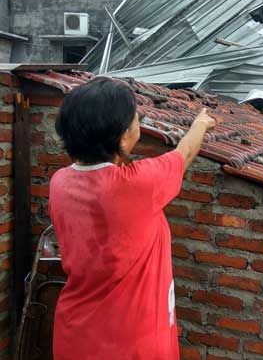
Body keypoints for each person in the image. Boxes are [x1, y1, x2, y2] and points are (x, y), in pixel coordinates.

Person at [48, 78, 216, 360]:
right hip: (132, 341)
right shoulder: (134, 185)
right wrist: (201, 123)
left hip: (75, 335)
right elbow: (184, 153)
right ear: (123, 136)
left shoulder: (59, 182)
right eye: (135, 117)